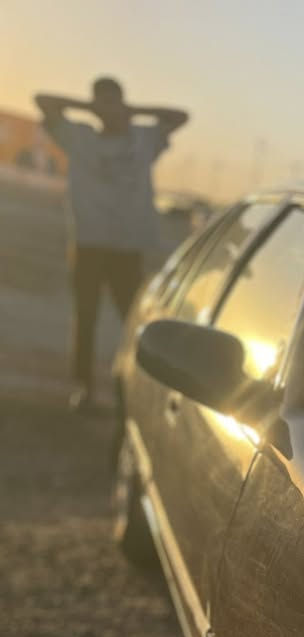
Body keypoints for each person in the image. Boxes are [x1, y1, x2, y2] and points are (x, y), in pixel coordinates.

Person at [35, 77, 189, 410]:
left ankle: (140, 388)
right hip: (88, 243)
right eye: (102, 102)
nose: (110, 110)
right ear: (94, 104)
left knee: (136, 321)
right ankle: (84, 387)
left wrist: (130, 111)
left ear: (124, 102)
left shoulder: (144, 138)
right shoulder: (80, 136)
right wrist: (92, 109)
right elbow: (42, 99)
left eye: (114, 102)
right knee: (85, 318)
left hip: (127, 247)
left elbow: (180, 116)